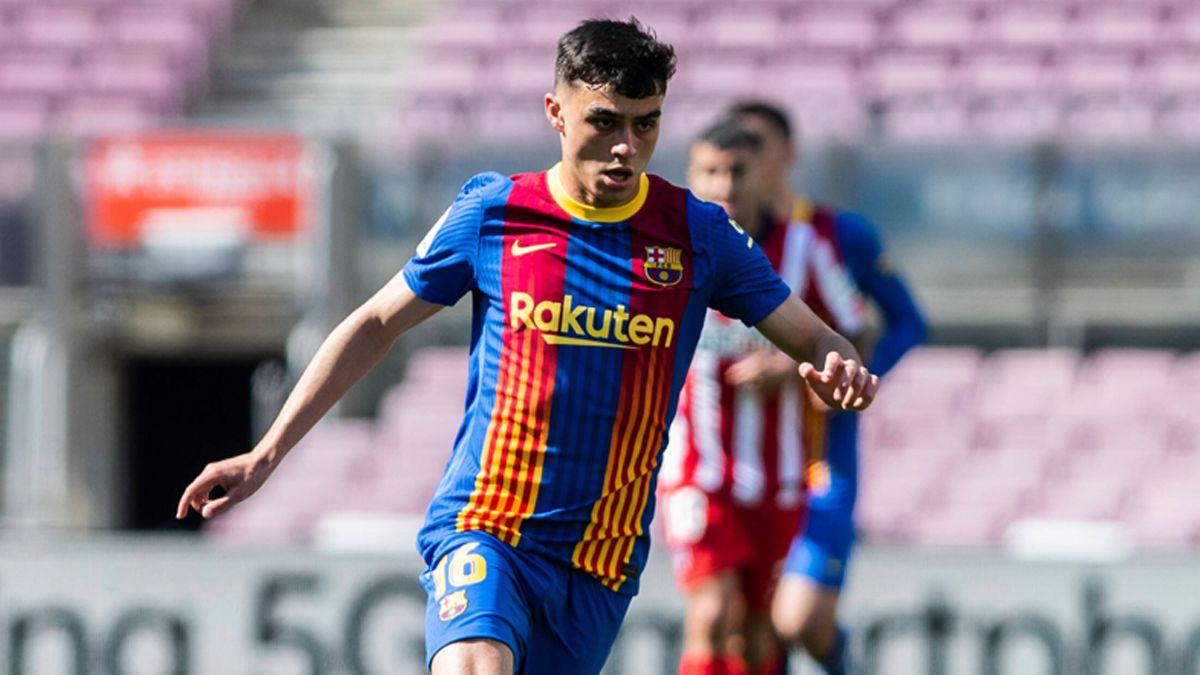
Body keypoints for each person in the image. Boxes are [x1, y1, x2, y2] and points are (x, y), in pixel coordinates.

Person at [176, 21, 880, 675]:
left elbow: (811, 331)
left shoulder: (698, 234)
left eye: (646, 125)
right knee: (474, 663)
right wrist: (265, 453)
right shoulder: (493, 213)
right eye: (604, 122)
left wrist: (834, 359)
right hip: (487, 526)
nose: (625, 147)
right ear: (556, 113)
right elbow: (374, 323)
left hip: (598, 561)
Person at [660, 118, 868, 675]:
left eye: (737, 172)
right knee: (713, 610)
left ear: (764, 176)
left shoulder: (805, 247)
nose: (724, 185)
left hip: (778, 477)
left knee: (758, 634)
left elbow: (857, 325)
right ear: (690, 177)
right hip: (696, 471)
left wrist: (796, 363)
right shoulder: (668, 249)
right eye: (710, 172)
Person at [729, 101, 927, 675]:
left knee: (800, 619)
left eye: (755, 146)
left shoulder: (835, 235)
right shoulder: (712, 238)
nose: (740, 162)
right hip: (737, 462)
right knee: (748, 629)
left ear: (786, 156)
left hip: (819, 457)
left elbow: (908, 321)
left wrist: (845, 378)